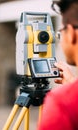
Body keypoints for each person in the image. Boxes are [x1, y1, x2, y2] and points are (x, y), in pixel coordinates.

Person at [37, 0, 78, 130]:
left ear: (70, 33)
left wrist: (70, 92)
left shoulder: (61, 103)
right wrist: (72, 84)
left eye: (60, 32)